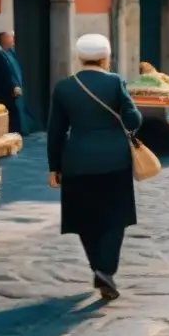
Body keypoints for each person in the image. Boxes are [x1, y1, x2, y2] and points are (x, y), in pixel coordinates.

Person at [46, 34, 142, 301]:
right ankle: (106, 269)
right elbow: (133, 119)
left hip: (76, 161)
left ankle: (97, 266)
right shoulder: (115, 82)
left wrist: (54, 167)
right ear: (105, 57)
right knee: (115, 218)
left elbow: (55, 132)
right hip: (115, 161)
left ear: (80, 57)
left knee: (86, 219)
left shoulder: (64, 87)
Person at [0, 31, 27, 135]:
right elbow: (1, 74)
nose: (13, 40)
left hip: (14, 94)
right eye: (10, 37)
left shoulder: (11, 52)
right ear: (3, 39)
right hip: (2, 95)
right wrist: (12, 86)